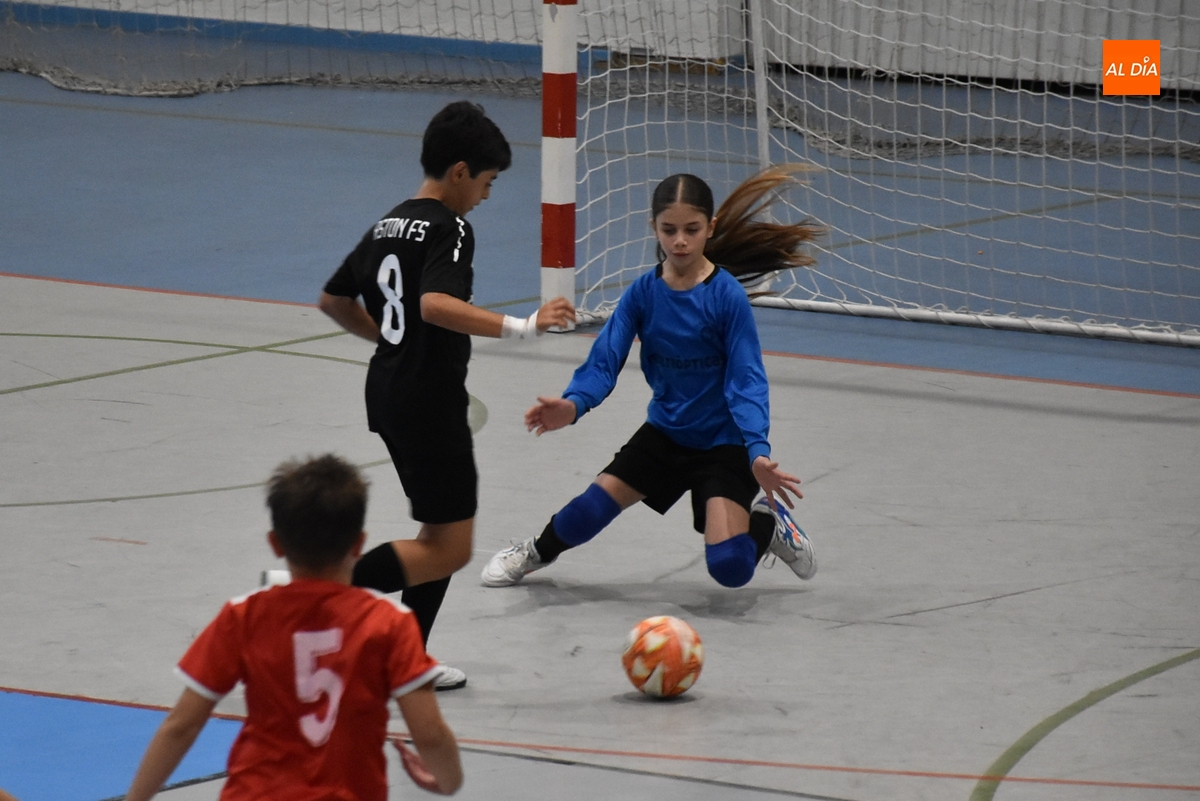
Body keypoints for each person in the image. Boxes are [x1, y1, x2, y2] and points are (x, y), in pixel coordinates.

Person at [318, 101, 576, 690]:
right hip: (429, 402)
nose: (485, 196)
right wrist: (523, 326)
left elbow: (333, 300)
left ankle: (404, 660)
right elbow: (435, 304)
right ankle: (316, 593)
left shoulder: (387, 224)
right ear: (460, 172)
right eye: (487, 182)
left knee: (436, 536)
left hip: (389, 394)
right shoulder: (450, 227)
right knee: (452, 549)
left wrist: (389, 339)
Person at [481, 166, 822, 590]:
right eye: (669, 230)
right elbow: (604, 361)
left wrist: (757, 451)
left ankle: (768, 527)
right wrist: (573, 404)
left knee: (730, 567)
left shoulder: (727, 297)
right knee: (586, 513)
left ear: (710, 228)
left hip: (724, 442)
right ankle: (534, 553)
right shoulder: (642, 294)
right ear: (654, 228)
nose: (680, 241)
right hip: (667, 432)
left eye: (691, 230)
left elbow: (746, 381)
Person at [124, 455, 462, 801]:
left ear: (275, 543)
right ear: (360, 544)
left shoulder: (243, 616)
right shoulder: (390, 623)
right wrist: (448, 780)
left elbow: (182, 726)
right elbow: (430, 734)